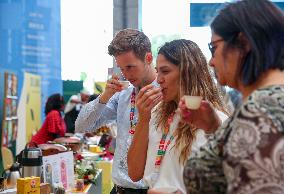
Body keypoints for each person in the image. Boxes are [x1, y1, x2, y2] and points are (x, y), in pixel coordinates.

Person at [179, 0, 284, 193]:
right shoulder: (268, 102)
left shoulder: (259, 110)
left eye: (214, 48)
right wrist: (214, 128)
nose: (211, 62)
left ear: (243, 44)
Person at [127, 39, 228, 194]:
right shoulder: (156, 113)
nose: (158, 79)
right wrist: (143, 119)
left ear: (188, 72)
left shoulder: (215, 121)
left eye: (165, 71)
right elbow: (134, 173)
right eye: (157, 70)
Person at [75, 28, 157, 193]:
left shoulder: (166, 92)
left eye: (130, 67)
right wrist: (104, 96)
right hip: (119, 189)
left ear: (148, 58)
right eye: (121, 68)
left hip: (151, 189)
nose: (126, 75)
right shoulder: (123, 94)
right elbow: (81, 126)